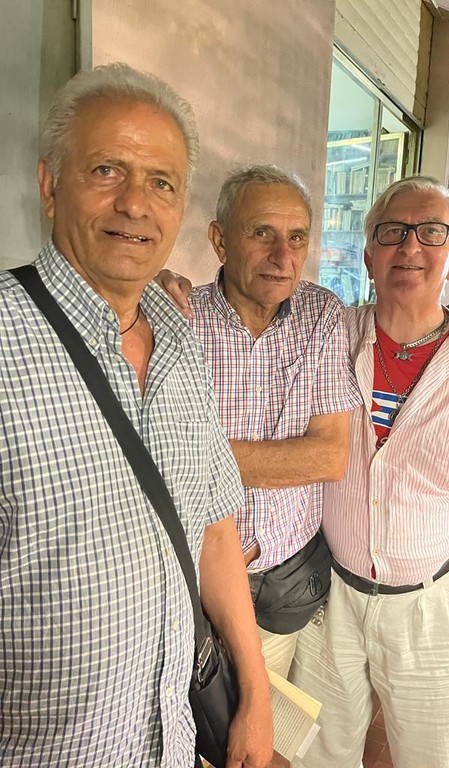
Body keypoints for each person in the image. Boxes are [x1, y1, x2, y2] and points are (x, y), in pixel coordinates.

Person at [0, 63, 272, 768]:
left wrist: (256, 692)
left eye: (161, 183)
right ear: (49, 185)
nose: (134, 204)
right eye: (105, 171)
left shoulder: (181, 342)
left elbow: (214, 528)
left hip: (171, 743)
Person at [289, 175, 449, 768]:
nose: (410, 246)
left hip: (437, 607)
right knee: (317, 756)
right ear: (368, 255)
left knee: (432, 758)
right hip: (331, 596)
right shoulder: (330, 337)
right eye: (392, 232)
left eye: (432, 232)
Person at [157, 165, 361, 679]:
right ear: (219, 240)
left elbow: (329, 456)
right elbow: (152, 459)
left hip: (287, 576)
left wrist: (198, 456)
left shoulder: (320, 314)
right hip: (191, 579)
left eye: (297, 238)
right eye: (262, 233)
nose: (283, 256)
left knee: (266, 708)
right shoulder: (176, 317)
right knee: (187, 707)